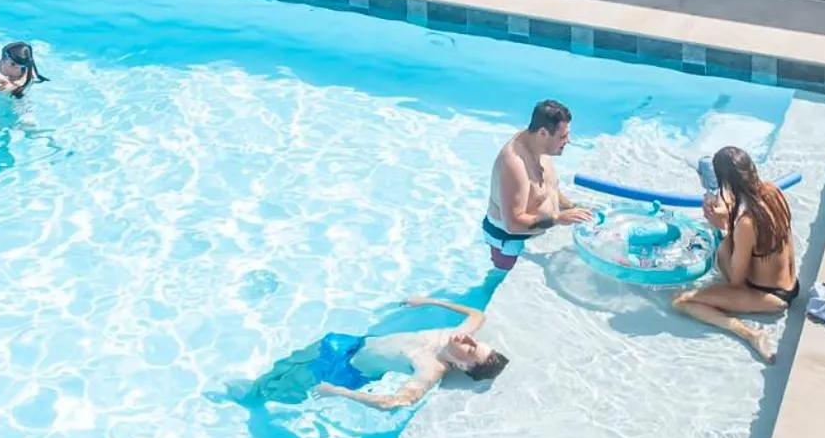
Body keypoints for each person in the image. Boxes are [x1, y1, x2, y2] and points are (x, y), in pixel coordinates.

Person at [227, 297, 509, 409]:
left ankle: (254, 401)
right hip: (354, 343)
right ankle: (254, 387)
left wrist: (339, 391)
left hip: (347, 371)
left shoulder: (431, 369)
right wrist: (427, 301)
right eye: (475, 341)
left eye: (471, 350)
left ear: (462, 365)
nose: (470, 341)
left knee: (290, 385)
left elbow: (395, 403)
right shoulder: (454, 337)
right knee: (290, 360)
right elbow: (477, 314)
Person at [673, 146, 797, 363]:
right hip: (791, 285)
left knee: (680, 301)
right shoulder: (773, 191)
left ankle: (750, 334)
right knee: (724, 249)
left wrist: (723, 229)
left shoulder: (746, 224)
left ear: (726, 182)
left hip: (769, 297)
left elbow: (737, 281)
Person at [483, 99, 592, 271]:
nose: (568, 141)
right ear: (543, 133)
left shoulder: (538, 145)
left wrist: (570, 206)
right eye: (562, 136)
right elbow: (513, 224)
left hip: (536, 234)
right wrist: (557, 219)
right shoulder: (514, 164)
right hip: (511, 244)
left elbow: (549, 187)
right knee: (500, 284)